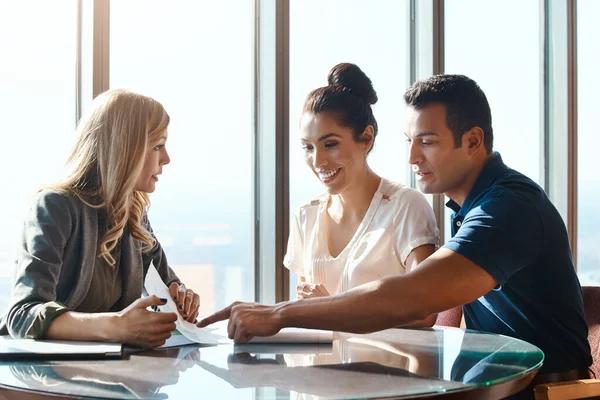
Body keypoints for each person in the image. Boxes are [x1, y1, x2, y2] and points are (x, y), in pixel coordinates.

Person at [199, 75, 592, 387]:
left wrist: (280, 314)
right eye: (409, 141)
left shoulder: (507, 209)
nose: (411, 157)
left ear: (473, 141)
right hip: (501, 386)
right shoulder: (472, 207)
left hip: (546, 391)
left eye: (427, 141)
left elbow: (412, 298)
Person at [0, 89, 200, 349]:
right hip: (46, 376)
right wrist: (116, 326)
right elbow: (23, 314)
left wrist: (180, 297)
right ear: (126, 150)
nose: (167, 158)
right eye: (158, 146)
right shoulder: (55, 206)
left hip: (112, 374)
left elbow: (166, 285)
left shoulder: (134, 213)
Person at [287, 63, 439, 329]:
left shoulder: (405, 207)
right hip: (318, 368)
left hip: (387, 369)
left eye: (330, 144)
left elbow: (424, 313)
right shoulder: (305, 216)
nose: (318, 161)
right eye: (308, 147)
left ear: (366, 139)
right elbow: (304, 309)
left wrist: (331, 309)